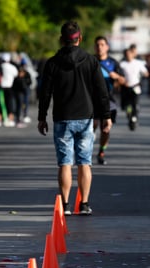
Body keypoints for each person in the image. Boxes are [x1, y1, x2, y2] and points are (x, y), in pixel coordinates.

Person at [37, 21, 112, 216]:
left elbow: (45, 92)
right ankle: (85, 204)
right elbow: (101, 91)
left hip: (62, 118)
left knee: (64, 163)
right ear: (80, 38)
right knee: (84, 161)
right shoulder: (91, 61)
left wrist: (42, 116)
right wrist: (105, 116)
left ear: (61, 39)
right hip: (86, 118)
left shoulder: (52, 63)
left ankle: (66, 205)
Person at [93, 36, 125, 165]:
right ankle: (86, 149)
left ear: (107, 47)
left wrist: (116, 76)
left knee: (105, 129)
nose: (99, 47)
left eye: (102, 44)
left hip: (109, 100)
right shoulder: (90, 61)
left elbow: (124, 81)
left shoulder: (113, 63)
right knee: (93, 125)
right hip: (92, 99)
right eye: (97, 45)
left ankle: (101, 151)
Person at [119, 47, 149, 130]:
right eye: (126, 54)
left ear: (133, 54)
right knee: (128, 106)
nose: (128, 55)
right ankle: (129, 116)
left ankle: (134, 118)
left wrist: (144, 75)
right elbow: (119, 75)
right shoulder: (122, 64)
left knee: (135, 104)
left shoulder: (138, 63)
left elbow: (146, 73)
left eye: (129, 54)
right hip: (125, 87)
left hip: (136, 86)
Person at [0, 53, 19, 127]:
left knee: (1, 104)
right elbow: (16, 74)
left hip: (1, 87)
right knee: (10, 104)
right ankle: (9, 120)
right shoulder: (12, 67)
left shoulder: (0, 66)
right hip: (9, 87)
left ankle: (0, 120)